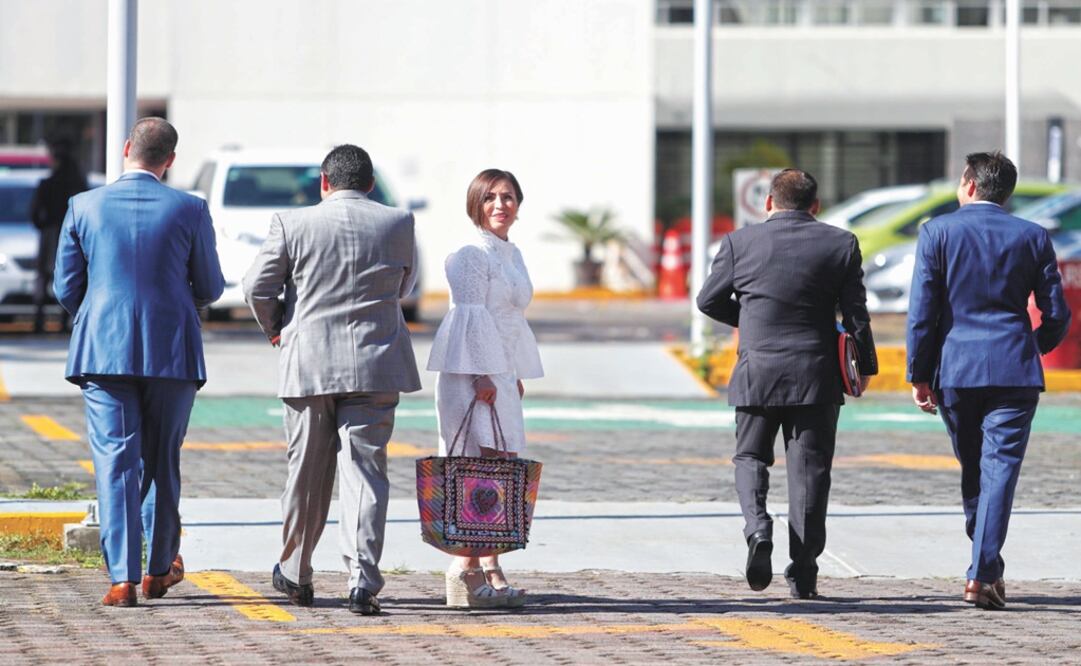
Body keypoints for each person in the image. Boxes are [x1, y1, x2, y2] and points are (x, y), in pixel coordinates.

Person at [243, 144, 420, 615]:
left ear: (324, 181)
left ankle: (297, 570)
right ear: (369, 184)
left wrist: (278, 325)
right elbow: (405, 286)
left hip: (309, 364)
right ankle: (362, 580)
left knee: (306, 472)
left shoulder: (291, 223)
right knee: (365, 474)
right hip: (377, 363)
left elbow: (256, 286)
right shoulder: (398, 222)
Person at [53, 117, 224, 606]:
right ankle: (158, 570)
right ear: (170, 160)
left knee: (115, 461)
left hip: (102, 351)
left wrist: (98, 315)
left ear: (127, 148)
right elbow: (210, 287)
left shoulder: (83, 205)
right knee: (162, 460)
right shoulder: (190, 208)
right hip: (172, 349)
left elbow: (65, 287)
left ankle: (121, 579)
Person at [696, 168, 877, 599]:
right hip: (816, 376)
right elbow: (856, 315)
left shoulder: (740, 242)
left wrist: (752, 318)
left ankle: (758, 529)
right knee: (810, 473)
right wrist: (865, 365)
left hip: (757, 370)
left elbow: (707, 299)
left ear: (769, 203)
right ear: (815, 206)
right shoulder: (840, 243)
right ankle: (804, 570)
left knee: (750, 458)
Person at [907, 151, 1070, 610]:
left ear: (971, 184)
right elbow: (1057, 312)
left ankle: (981, 569)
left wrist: (920, 374)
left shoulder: (936, 232)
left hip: (955, 368)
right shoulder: (1033, 236)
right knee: (996, 472)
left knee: (976, 468)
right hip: (1013, 369)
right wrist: (1032, 345)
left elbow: (923, 312)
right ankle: (986, 570)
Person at [426, 168, 543, 608]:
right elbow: (469, 318)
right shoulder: (471, 254)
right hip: (472, 375)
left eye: (509, 196)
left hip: (500, 372)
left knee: (501, 467)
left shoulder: (510, 253)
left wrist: (510, 374)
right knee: (479, 469)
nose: (500, 204)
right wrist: (481, 377)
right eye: (491, 197)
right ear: (476, 203)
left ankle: (488, 565)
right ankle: (465, 569)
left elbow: (510, 321)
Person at [31, 137, 88, 333]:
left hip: (49, 235)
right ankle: (66, 321)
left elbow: (34, 214)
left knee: (42, 278)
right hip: (72, 235)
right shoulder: (78, 186)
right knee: (72, 274)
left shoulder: (46, 184)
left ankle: (38, 320)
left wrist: (44, 225)